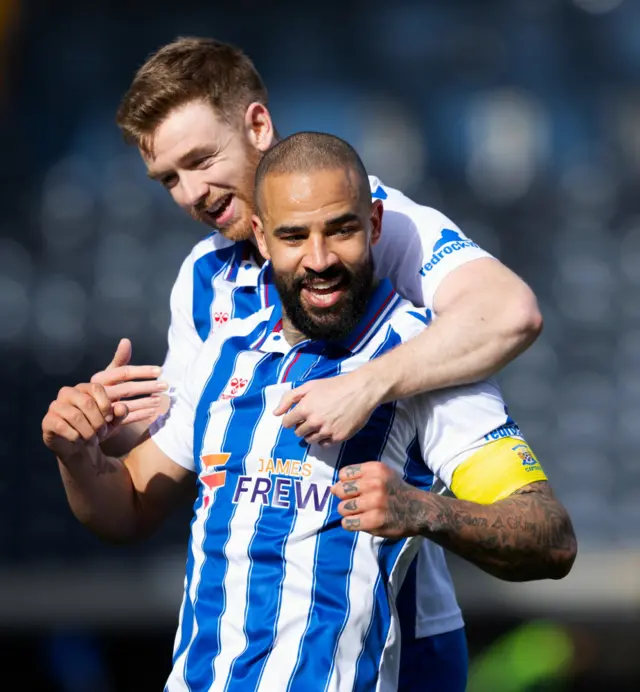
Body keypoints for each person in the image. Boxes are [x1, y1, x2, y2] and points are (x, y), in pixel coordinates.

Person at [43, 132, 576, 692]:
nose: (319, 260)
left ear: (374, 224)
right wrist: (77, 456)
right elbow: (125, 509)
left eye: (340, 230)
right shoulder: (224, 354)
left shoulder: (425, 363)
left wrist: (423, 511)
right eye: (294, 236)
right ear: (262, 238)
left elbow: (551, 537)